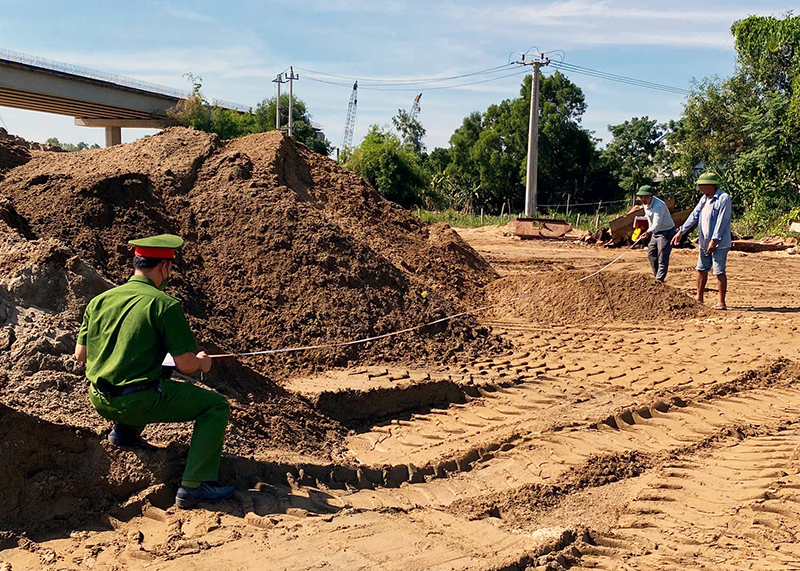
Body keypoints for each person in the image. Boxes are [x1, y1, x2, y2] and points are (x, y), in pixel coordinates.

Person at [74, 234, 235, 509]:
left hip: (99, 399)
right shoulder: (165, 304)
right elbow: (185, 364)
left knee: (158, 371)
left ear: (136, 263)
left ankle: (123, 433)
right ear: (164, 268)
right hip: (136, 402)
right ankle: (195, 486)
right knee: (216, 406)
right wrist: (202, 362)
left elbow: (81, 355)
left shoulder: (99, 300)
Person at [671, 173, 732, 310]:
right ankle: (699, 298)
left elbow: (722, 221)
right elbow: (694, 215)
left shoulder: (723, 198)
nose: (700, 188)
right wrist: (681, 231)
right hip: (704, 242)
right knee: (701, 269)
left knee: (719, 271)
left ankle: (721, 302)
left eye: (702, 185)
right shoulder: (704, 199)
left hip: (719, 243)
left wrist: (714, 240)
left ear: (711, 185)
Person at [636, 185, 676, 282]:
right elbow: (649, 218)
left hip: (666, 232)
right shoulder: (646, 205)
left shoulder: (659, 206)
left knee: (662, 256)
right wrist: (642, 226)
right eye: (641, 197)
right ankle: (657, 278)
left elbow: (656, 224)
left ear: (651, 196)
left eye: (645, 197)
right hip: (655, 232)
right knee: (651, 255)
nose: (643, 199)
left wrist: (648, 232)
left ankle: (659, 280)